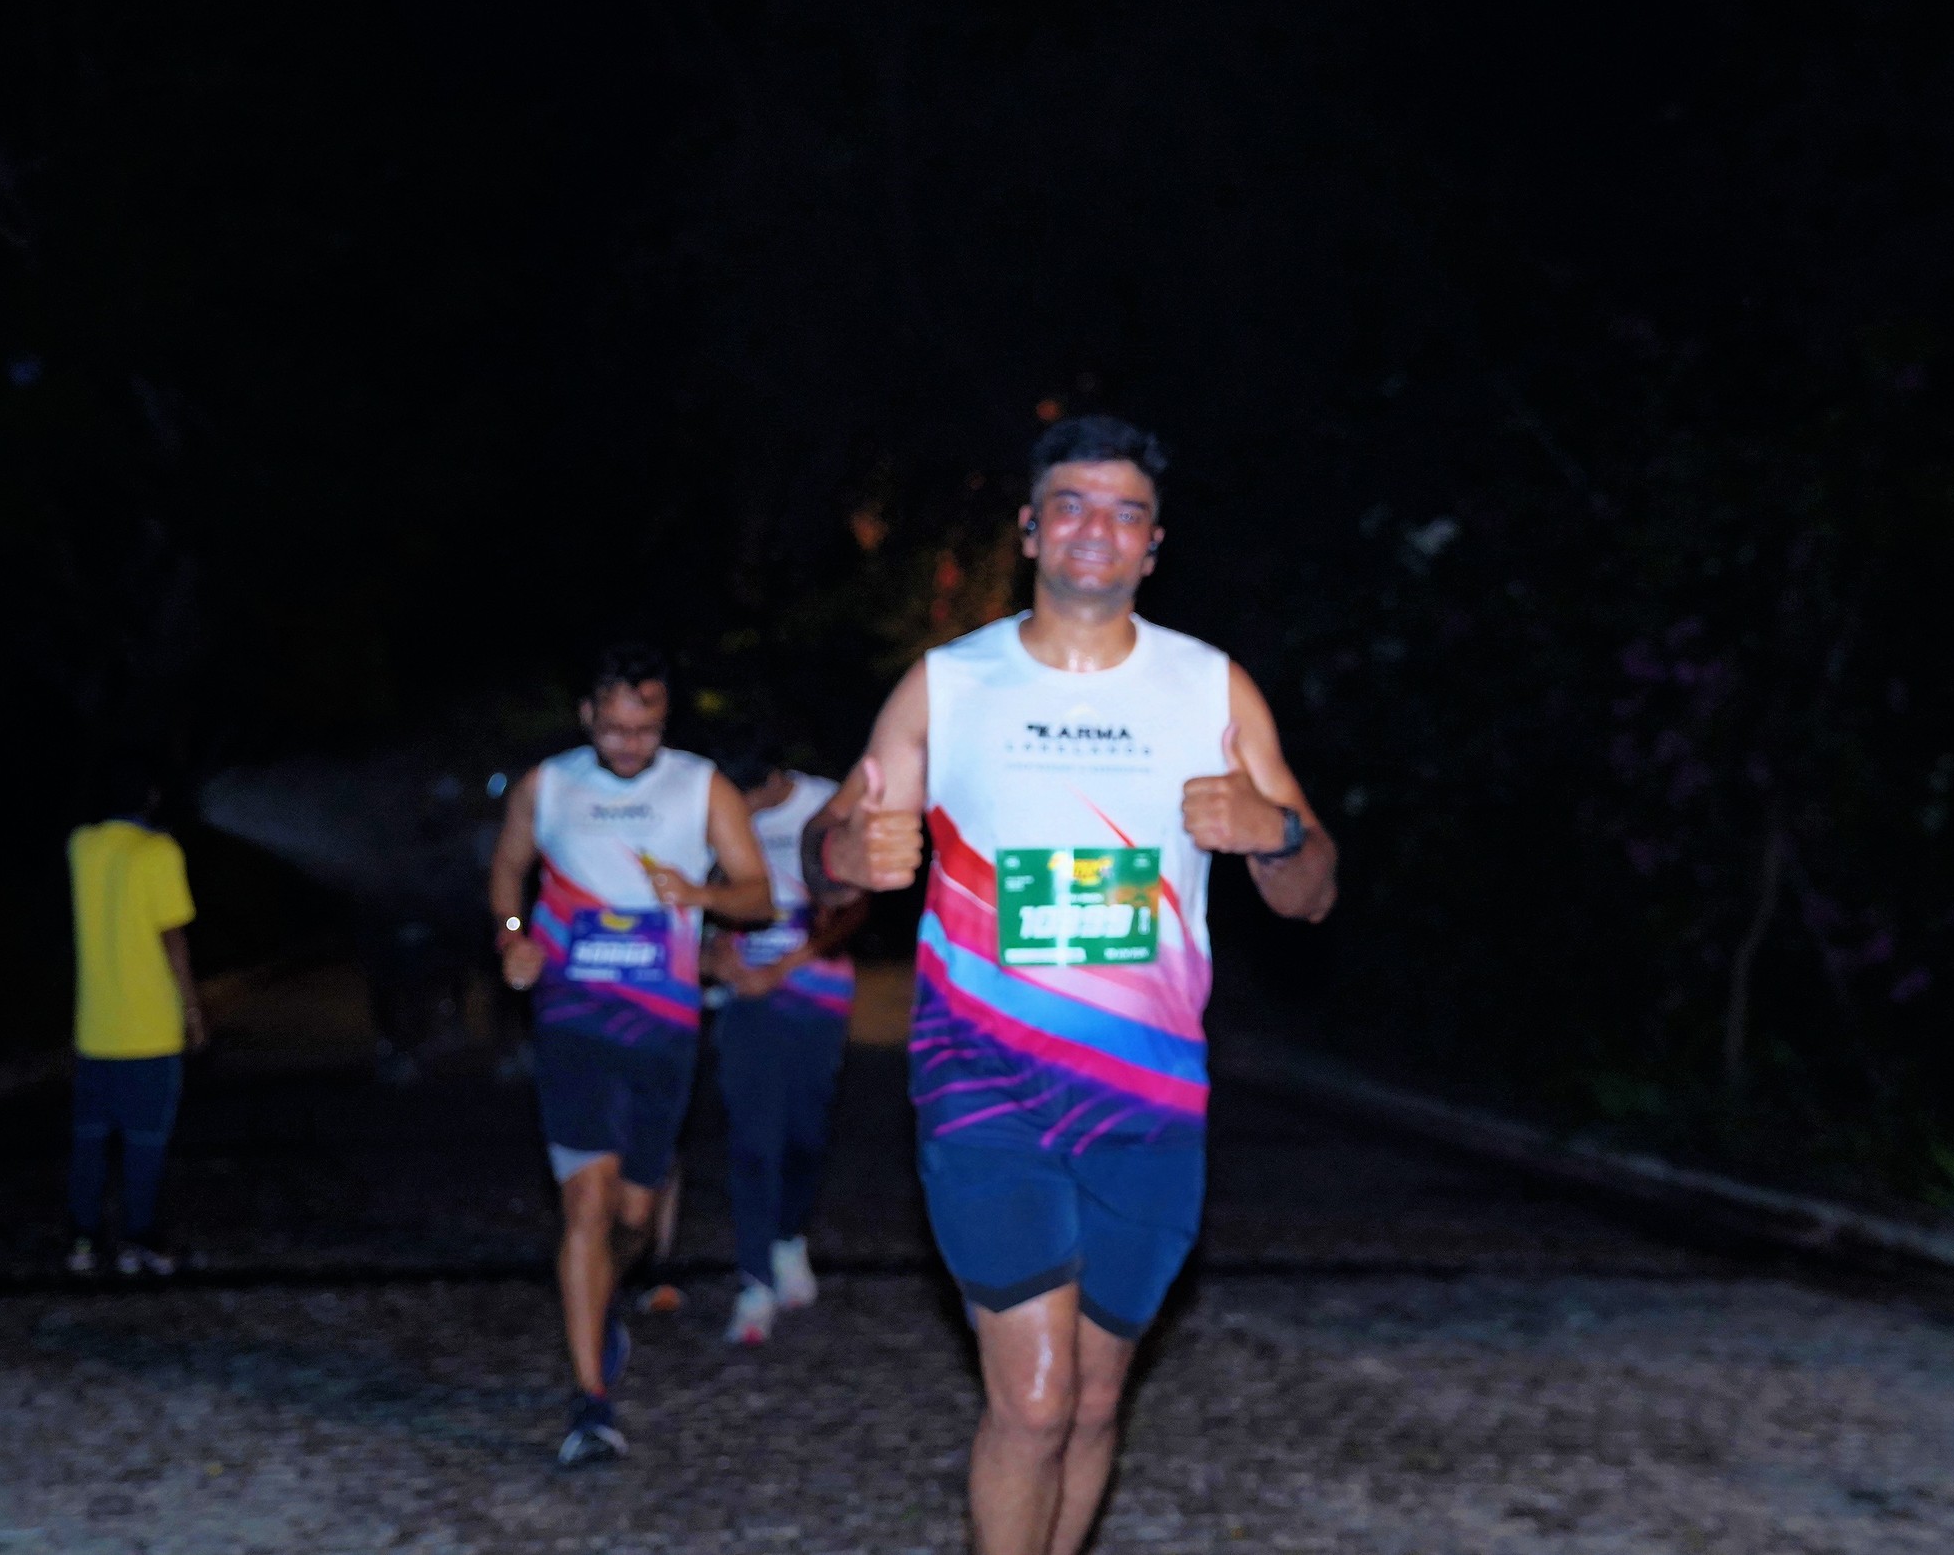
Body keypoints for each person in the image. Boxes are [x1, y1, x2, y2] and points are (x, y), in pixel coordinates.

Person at [806, 416, 1337, 1555]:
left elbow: (1311, 894)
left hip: (1147, 1093)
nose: (1097, 527)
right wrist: (843, 853)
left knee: (1094, 1401)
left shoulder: (1210, 688)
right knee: (1035, 1398)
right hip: (981, 1077)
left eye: (1125, 510)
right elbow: (833, 846)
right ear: (1030, 528)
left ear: (1153, 544)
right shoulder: (950, 685)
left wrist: (1276, 832)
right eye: (1073, 504)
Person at [488, 642, 775, 1465]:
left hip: (662, 1023)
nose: (629, 744)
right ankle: (590, 1400)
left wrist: (704, 893)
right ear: (587, 715)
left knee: (636, 1216)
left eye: (644, 728)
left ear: (663, 718)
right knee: (586, 1201)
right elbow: (507, 870)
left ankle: (603, 1294)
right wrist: (512, 938)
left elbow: (758, 893)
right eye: (614, 728)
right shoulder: (548, 785)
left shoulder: (701, 785)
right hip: (573, 1014)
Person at [702, 721, 861, 1345]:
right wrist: (721, 956)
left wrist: (784, 967)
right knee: (753, 1138)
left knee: (804, 1134)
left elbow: (854, 907)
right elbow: (708, 893)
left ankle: (789, 1237)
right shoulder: (718, 808)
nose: (735, 811)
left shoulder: (825, 805)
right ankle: (754, 1282)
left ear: (772, 782)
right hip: (746, 998)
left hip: (815, 989)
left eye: (745, 798)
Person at [65, 755, 205, 1278]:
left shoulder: (81, 847)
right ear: (152, 796)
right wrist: (192, 1009)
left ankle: (82, 1241)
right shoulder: (159, 852)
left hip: (95, 1030)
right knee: (145, 1143)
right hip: (149, 1031)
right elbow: (174, 939)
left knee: (90, 1142)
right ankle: (137, 1239)